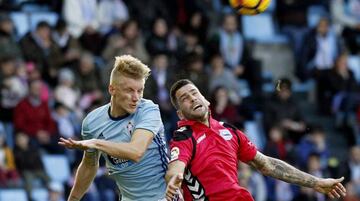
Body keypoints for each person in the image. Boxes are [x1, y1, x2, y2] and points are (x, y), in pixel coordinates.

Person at [165, 79, 347, 201]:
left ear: (206, 100)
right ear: (180, 113)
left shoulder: (229, 130)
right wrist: (174, 179)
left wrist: (316, 182)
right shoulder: (184, 136)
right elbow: (175, 168)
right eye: (185, 98)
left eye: (194, 93)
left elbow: (267, 164)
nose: (192, 98)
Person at [58, 55, 168, 201]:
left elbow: (136, 152)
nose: (136, 97)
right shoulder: (92, 122)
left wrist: (96, 143)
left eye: (140, 91)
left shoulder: (149, 110)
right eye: (129, 90)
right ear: (112, 89)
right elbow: (90, 165)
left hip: (165, 197)